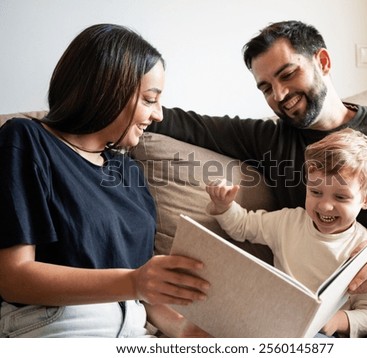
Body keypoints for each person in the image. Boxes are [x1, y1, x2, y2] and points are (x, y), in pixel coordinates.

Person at [148, 20, 367, 337]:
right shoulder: (269, 140)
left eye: (288, 74)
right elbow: (188, 124)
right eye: (265, 87)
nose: (279, 94)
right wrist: (128, 106)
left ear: (323, 62)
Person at [0, 23, 210, 338]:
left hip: (133, 331)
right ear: (109, 90)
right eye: (150, 99)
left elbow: (144, 291)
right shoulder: (26, 140)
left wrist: (188, 332)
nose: (159, 115)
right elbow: (13, 277)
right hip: (58, 325)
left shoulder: (128, 173)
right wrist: (134, 282)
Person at [206, 128, 367, 338]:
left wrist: (338, 321)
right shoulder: (288, 222)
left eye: (341, 197)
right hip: (272, 319)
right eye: (316, 192)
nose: (325, 206)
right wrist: (224, 206)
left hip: (322, 334)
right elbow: (243, 226)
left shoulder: (366, 249)